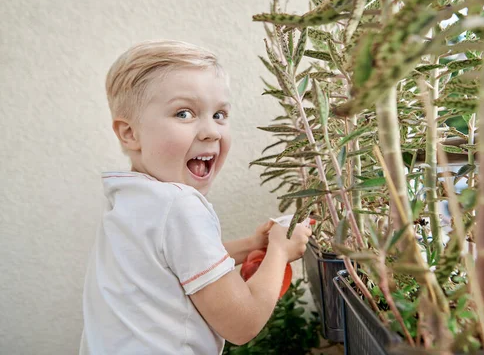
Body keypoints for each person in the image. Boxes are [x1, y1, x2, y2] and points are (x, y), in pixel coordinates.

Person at [80, 40, 312, 354]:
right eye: (184, 113)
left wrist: (250, 246)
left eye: (219, 115)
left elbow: (169, 264)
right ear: (129, 133)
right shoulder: (179, 206)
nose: (211, 132)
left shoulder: (131, 199)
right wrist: (280, 252)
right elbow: (242, 324)